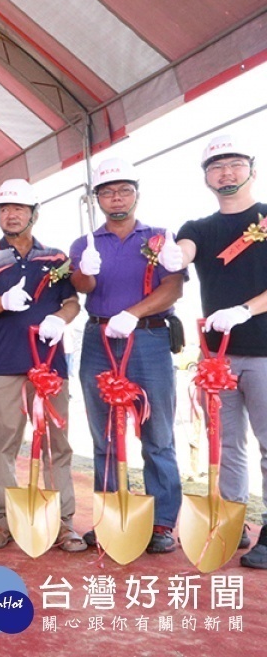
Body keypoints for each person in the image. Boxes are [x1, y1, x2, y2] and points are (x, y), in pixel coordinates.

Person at [69, 158, 184, 554]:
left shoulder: (159, 237)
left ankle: (162, 523)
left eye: (123, 190)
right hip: (99, 339)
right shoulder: (85, 242)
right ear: (96, 198)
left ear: (136, 194)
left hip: (148, 338)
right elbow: (83, 285)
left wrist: (133, 314)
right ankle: (110, 515)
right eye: (107, 191)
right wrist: (85, 271)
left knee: (157, 434)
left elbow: (174, 289)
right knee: (105, 434)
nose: (116, 197)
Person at [0, 179, 85, 552]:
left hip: (49, 367)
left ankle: (63, 522)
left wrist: (59, 320)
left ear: (34, 213)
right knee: (3, 445)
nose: (11, 215)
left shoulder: (55, 257)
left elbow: (72, 302)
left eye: (18, 209)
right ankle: (3, 519)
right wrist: (3, 301)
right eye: (4, 209)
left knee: (55, 444)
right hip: (2, 365)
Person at [176, 133, 267, 568]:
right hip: (218, 359)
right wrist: (170, 256)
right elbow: (183, 251)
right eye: (216, 167)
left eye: (234, 164)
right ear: (205, 177)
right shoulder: (199, 227)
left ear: (252, 167)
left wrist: (246, 310)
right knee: (227, 444)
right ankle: (232, 522)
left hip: (264, 351)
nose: (226, 173)